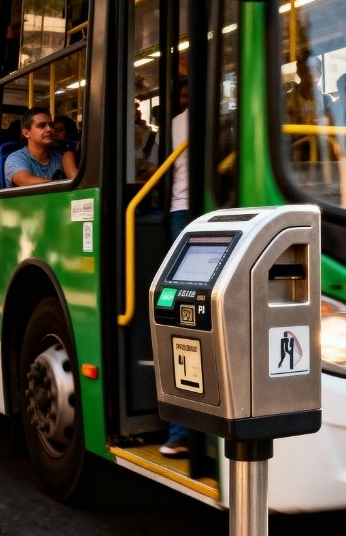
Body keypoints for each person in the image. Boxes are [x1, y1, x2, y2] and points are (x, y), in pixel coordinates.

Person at [161, 81, 194, 458]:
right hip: (197, 211)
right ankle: (183, 429)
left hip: (180, 214)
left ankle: (181, 431)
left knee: (180, 317)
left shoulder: (173, 126)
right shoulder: (225, 122)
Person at [3, 107, 79, 186]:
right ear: (26, 133)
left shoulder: (61, 156)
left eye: (51, 125)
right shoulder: (16, 158)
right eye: (42, 126)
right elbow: (25, 180)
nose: (49, 129)